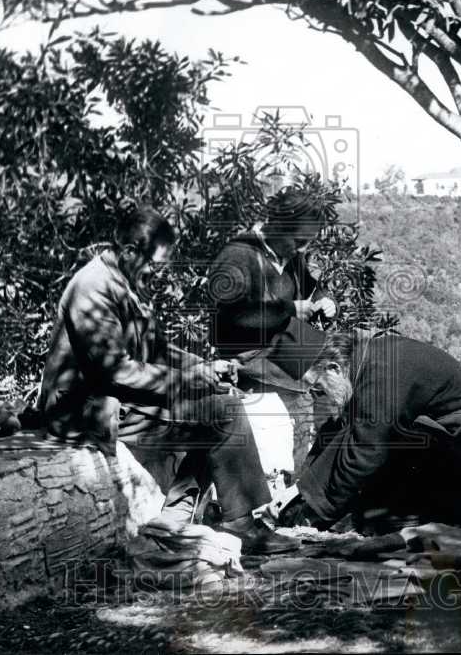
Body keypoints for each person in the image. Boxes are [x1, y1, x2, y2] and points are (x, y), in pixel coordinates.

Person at [33, 205, 299, 554]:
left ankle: (174, 519)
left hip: (121, 397)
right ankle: (244, 527)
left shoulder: (126, 279)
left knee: (218, 404)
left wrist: (204, 367)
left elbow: (156, 349)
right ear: (129, 250)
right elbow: (114, 370)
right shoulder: (93, 287)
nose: (154, 273)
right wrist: (188, 381)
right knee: (224, 413)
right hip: (88, 406)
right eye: (152, 264)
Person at [277, 331, 461, 534]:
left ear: (334, 368)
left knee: (370, 516)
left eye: (319, 388)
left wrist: (315, 516)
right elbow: (334, 434)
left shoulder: (381, 374)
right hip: (452, 449)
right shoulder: (366, 361)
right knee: (349, 435)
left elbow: (365, 453)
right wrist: (299, 490)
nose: (321, 395)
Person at [206, 186, 338, 365]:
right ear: (276, 226)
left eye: (308, 242)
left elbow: (313, 289)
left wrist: (327, 303)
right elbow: (231, 314)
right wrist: (289, 310)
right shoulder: (238, 254)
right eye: (299, 241)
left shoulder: (292, 257)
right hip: (245, 367)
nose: (302, 249)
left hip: (285, 363)